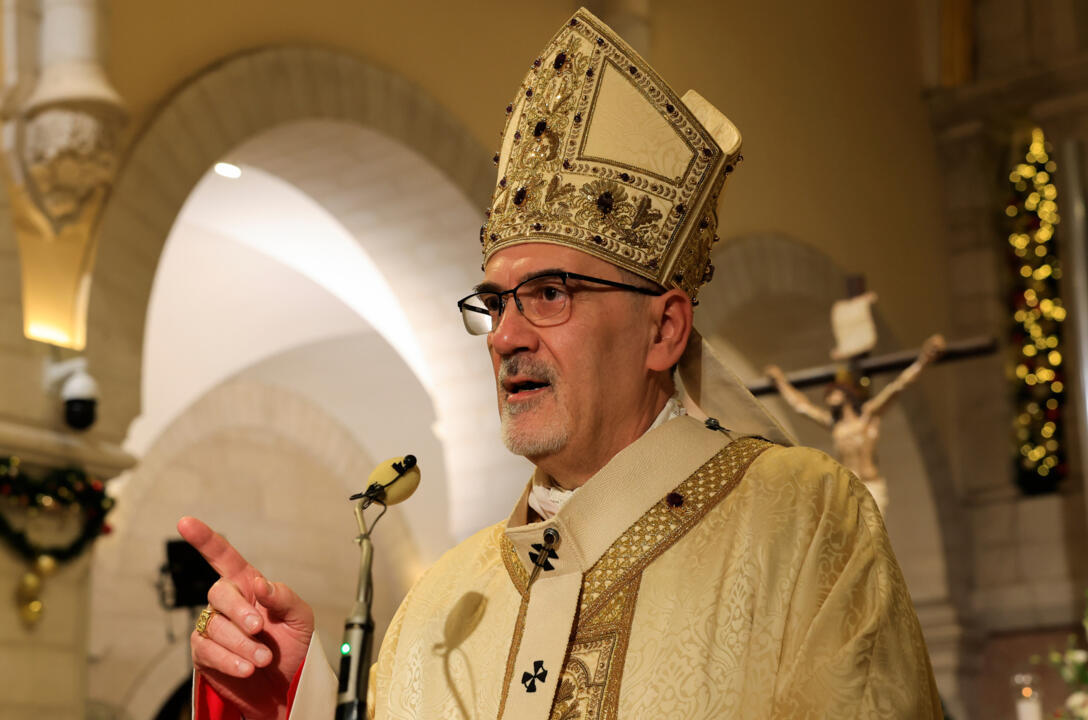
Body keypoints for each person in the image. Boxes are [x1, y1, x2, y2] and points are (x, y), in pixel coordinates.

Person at [181, 8, 943, 719]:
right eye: (495, 302)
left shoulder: (803, 523)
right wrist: (292, 700)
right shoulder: (440, 607)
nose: (504, 336)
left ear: (664, 330)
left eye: (550, 293)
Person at [764, 333, 947, 513]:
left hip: (870, 485)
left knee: (872, 528)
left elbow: (897, 387)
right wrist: (781, 383)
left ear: (845, 394)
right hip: (848, 486)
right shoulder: (835, 424)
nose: (829, 398)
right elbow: (802, 407)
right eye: (828, 396)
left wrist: (923, 360)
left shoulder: (867, 415)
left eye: (833, 393)